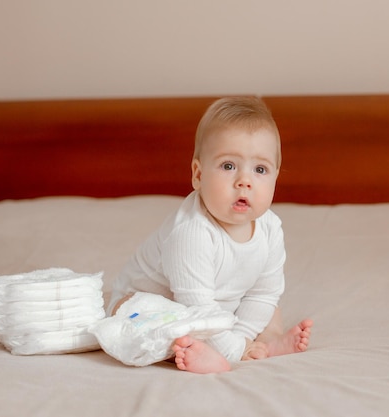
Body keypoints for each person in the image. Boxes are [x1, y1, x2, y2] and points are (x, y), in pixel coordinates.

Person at [108, 96, 312, 374]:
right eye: (228, 166)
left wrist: (243, 336)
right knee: (155, 326)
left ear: (276, 177)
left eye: (260, 169)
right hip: (161, 305)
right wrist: (235, 352)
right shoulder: (191, 233)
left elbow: (263, 293)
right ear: (198, 175)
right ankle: (211, 354)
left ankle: (267, 343)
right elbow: (197, 307)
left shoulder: (270, 228)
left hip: (220, 309)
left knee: (269, 309)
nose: (244, 180)